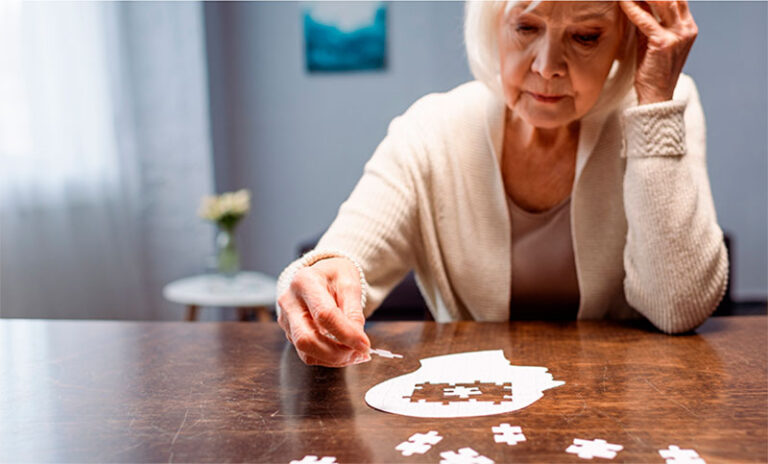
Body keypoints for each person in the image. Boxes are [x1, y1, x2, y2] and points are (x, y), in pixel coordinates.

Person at [275, 1, 728, 367]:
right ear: (494, 24)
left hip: (626, 405)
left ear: (626, 40)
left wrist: (653, 109)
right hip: (471, 410)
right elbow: (343, 255)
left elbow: (678, 310)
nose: (548, 67)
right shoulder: (431, 128)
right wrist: (315, 281)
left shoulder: (665, 102)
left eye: (585, 36)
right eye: (527, 27)